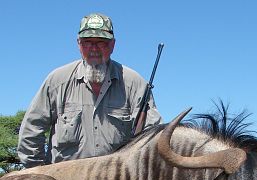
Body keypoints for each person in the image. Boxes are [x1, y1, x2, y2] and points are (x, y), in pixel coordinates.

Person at [18, 13, 162, 168]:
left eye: (101, 43)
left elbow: (155, 139)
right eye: (87, 42)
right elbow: (30, 134)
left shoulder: (136, 84)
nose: (94, 49)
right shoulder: (56, 81)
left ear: (112, 45)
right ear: (78, 44)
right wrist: (41, 176)